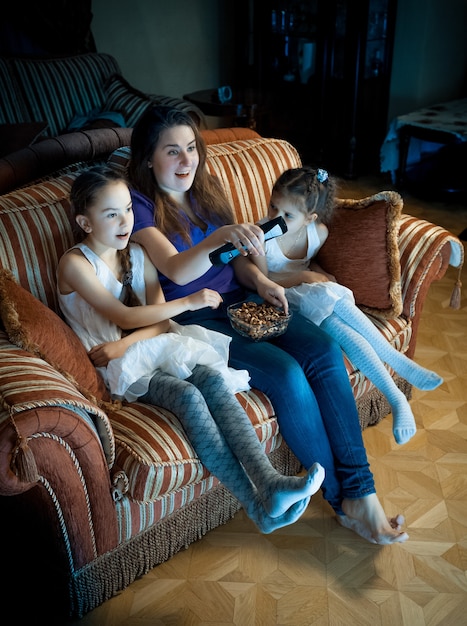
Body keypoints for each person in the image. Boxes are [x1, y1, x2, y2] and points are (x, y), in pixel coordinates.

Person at [126, 105, 409, 545]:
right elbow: (177, 270)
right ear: (147, 157)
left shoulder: (208, 190)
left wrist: (261, 281)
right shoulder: (140, 206)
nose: (187, 161)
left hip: (243, 300)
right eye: (172, 151)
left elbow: (235, 263)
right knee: (289, 376)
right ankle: (343, 500)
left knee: (323, 352)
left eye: (191, 149)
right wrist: (220, 236)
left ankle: (361, 491)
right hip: (195, 318)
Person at [56, 165, 326, 535]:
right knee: (189, 397)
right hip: (115, 369)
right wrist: (186, 303)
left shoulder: (137, 253)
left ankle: (271, 483)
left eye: (128, 210)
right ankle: (255, 505)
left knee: (212, 381)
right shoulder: (74, 264)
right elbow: (123, 313)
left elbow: (158, 323)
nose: (125, 221)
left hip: (138, 347)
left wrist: (126, 343)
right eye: (111, 213)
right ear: (85, 223)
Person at [251, 166, 443, 445]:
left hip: (312, 296)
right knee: (330, 296)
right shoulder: (260, 235)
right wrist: (308, 276)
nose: (275, 218)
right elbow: (265, 278)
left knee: (344, 327)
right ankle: (398, 368)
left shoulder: (319, 233)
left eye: (287, 215)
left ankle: (396, 397)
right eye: (272, 207)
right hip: (281, 298)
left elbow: (307, 262)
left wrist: (319, 273)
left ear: (309, 219)